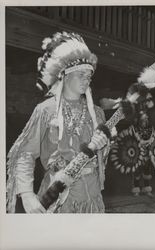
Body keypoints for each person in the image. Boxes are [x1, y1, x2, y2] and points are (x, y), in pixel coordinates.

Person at [6, 31, 110, 213]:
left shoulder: (98, 114)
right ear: (65, 75)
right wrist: (27, 195)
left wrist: (104, 145)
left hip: (93, 201)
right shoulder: (46, 110)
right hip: (58, 200)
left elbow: (101, 159)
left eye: (89, 76)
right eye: (81, 75)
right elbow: (25, 154)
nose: (87, 80)